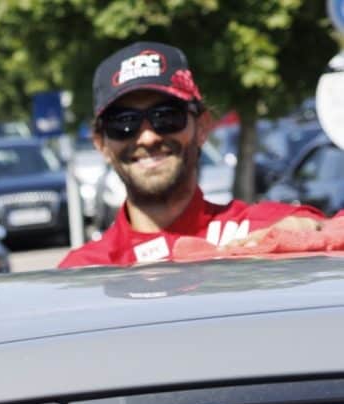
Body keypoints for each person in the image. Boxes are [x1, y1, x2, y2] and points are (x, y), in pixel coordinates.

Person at [60, 42, 325, 269]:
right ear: (100, 143)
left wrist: (307, 231)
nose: (148, 137)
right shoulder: (84, 272)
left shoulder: (258, 231)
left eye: (166, 116)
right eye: (124, 123)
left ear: (202, 127)